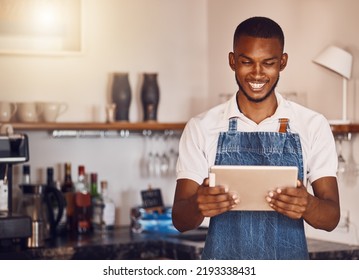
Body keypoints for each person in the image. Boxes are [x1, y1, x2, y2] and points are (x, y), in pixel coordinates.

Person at [172, 16, 340, 260]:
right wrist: (198, 205)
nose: (257, 74)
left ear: (282, 62)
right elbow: (180, 219)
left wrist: (308, 205)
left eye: (269, 63)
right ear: (232, 61)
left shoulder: (313, 125)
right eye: (246, 62)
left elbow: (331, 217)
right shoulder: (201, 127)